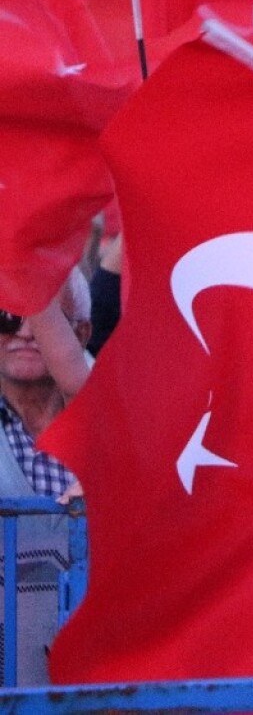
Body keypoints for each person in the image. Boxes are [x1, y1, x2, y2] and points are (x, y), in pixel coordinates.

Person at [0, 271, 92, 684]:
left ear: (83, 332)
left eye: (43, 320)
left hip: (110, 690)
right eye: (6, 317)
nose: (25, 332)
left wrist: (117, 484)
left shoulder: (129, 413)